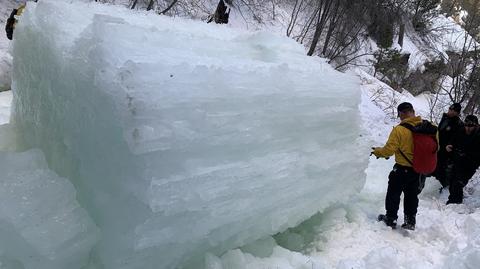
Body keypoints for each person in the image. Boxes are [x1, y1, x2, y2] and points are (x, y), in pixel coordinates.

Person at [372, 102, 431, 230]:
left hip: (402, 169)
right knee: (411, 195)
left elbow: (388, 151)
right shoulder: (429, 128)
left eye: (399, 114)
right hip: (418, 170)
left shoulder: (399, 129)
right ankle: (410, 221)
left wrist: (377, 151)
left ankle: (391, 218)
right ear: (413, 111)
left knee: (394, 193)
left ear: (402, 113)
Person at [445, 115, 480, 204]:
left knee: (458, 183)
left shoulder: (478, 136)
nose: (468, 128)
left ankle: (453, 203)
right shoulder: (460, 131)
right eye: (466, 125)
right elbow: (452, 141)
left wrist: (467, 154)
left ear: (476, 126)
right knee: (452, 181)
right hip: (457, 161)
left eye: (471, 126)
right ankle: (454, 202)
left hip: (470, 164)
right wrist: (449, 146)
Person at [434, 103, 463, 190]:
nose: (450, 111)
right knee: (435, 166)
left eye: (453, 110)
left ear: (457, 113)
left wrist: (450, 146)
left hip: (447, 151)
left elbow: (457, 138)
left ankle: (442, 187)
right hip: (438, 147)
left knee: (442, 169)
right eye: (450, 109)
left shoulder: (458, 123)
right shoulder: (445, 118)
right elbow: (439, 131)